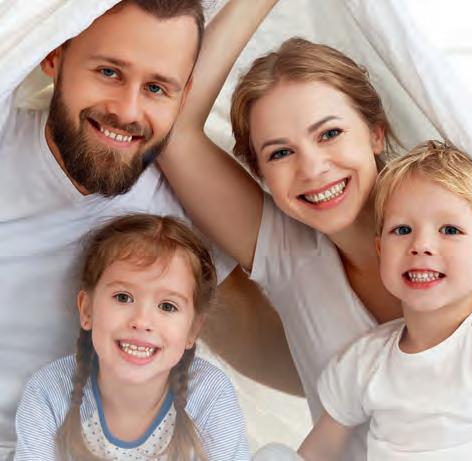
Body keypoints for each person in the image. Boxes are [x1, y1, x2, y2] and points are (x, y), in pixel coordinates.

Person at [159, 11, 472, 461]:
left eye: (330, 133)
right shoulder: (286, 251)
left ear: (375, 133)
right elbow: (171, 129)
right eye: (280, 153)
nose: (313, 168)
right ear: (260, 173)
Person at [0, 1, 284, 458]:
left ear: (183, 98)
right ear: (53, 54)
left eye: (156, 88)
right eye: (109, 72)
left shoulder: (174, 218)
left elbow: (299, 354)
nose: (127, 110)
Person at [294, 141, 472, 461]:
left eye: (449, 229)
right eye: (402, 229)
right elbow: (313, 454)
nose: (421, 244)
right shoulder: (365, 361)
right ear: (381, 251)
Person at [14, 214, 250, 461]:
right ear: (87, 310)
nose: (142, 321)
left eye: (167, 306)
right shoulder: (49, 392)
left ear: (192, 330)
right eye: (123, 297)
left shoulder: (209, 394)